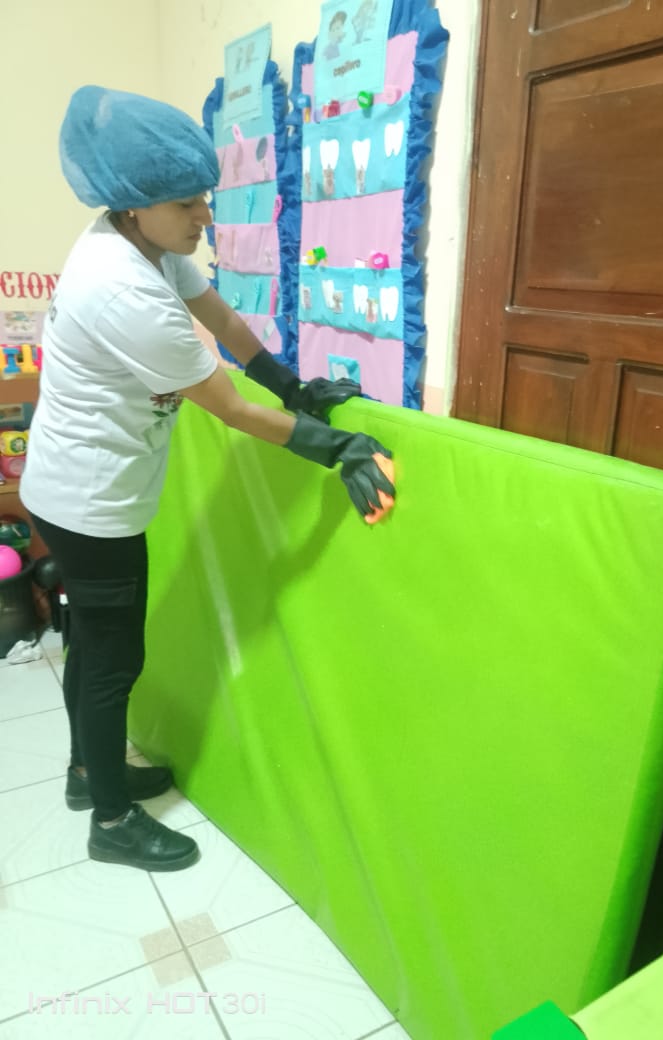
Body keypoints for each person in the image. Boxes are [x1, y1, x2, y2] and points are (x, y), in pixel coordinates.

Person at [20, 85, 395, 873]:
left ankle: (89, 775)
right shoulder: (122, 290)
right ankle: (111, 820)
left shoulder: (143, 244)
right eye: (188, 203)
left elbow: (223, 321)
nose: (205, 216)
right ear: (136, 205)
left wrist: (292, 385)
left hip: (77, 488)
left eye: (204, 197)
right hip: (89, 504)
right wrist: (339, 448)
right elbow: (229, 407)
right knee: (112, 659)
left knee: (95, 646)